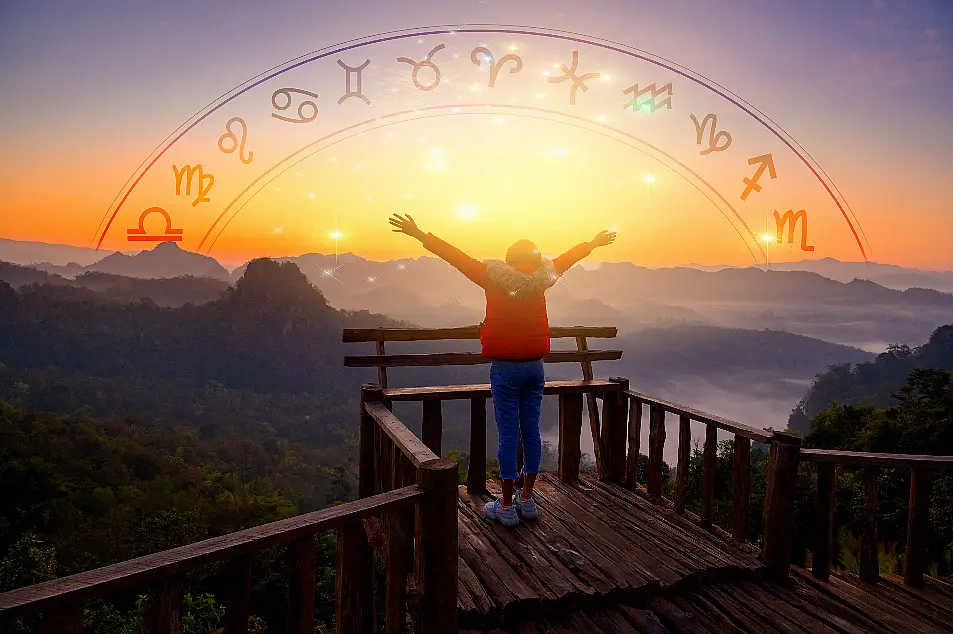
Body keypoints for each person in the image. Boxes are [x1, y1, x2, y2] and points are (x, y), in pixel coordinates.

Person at [389, 213, 617, 527]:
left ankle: (506, 506)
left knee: (509, 436)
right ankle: (527, 499)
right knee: (532, 432)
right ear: (536, 262)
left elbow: (455, 256)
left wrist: (419, 234)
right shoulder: (543, 278)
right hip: (535, 367)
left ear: (508, 261)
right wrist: (592, 243)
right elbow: (567, 258)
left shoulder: (490, 276)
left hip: (506, 368)